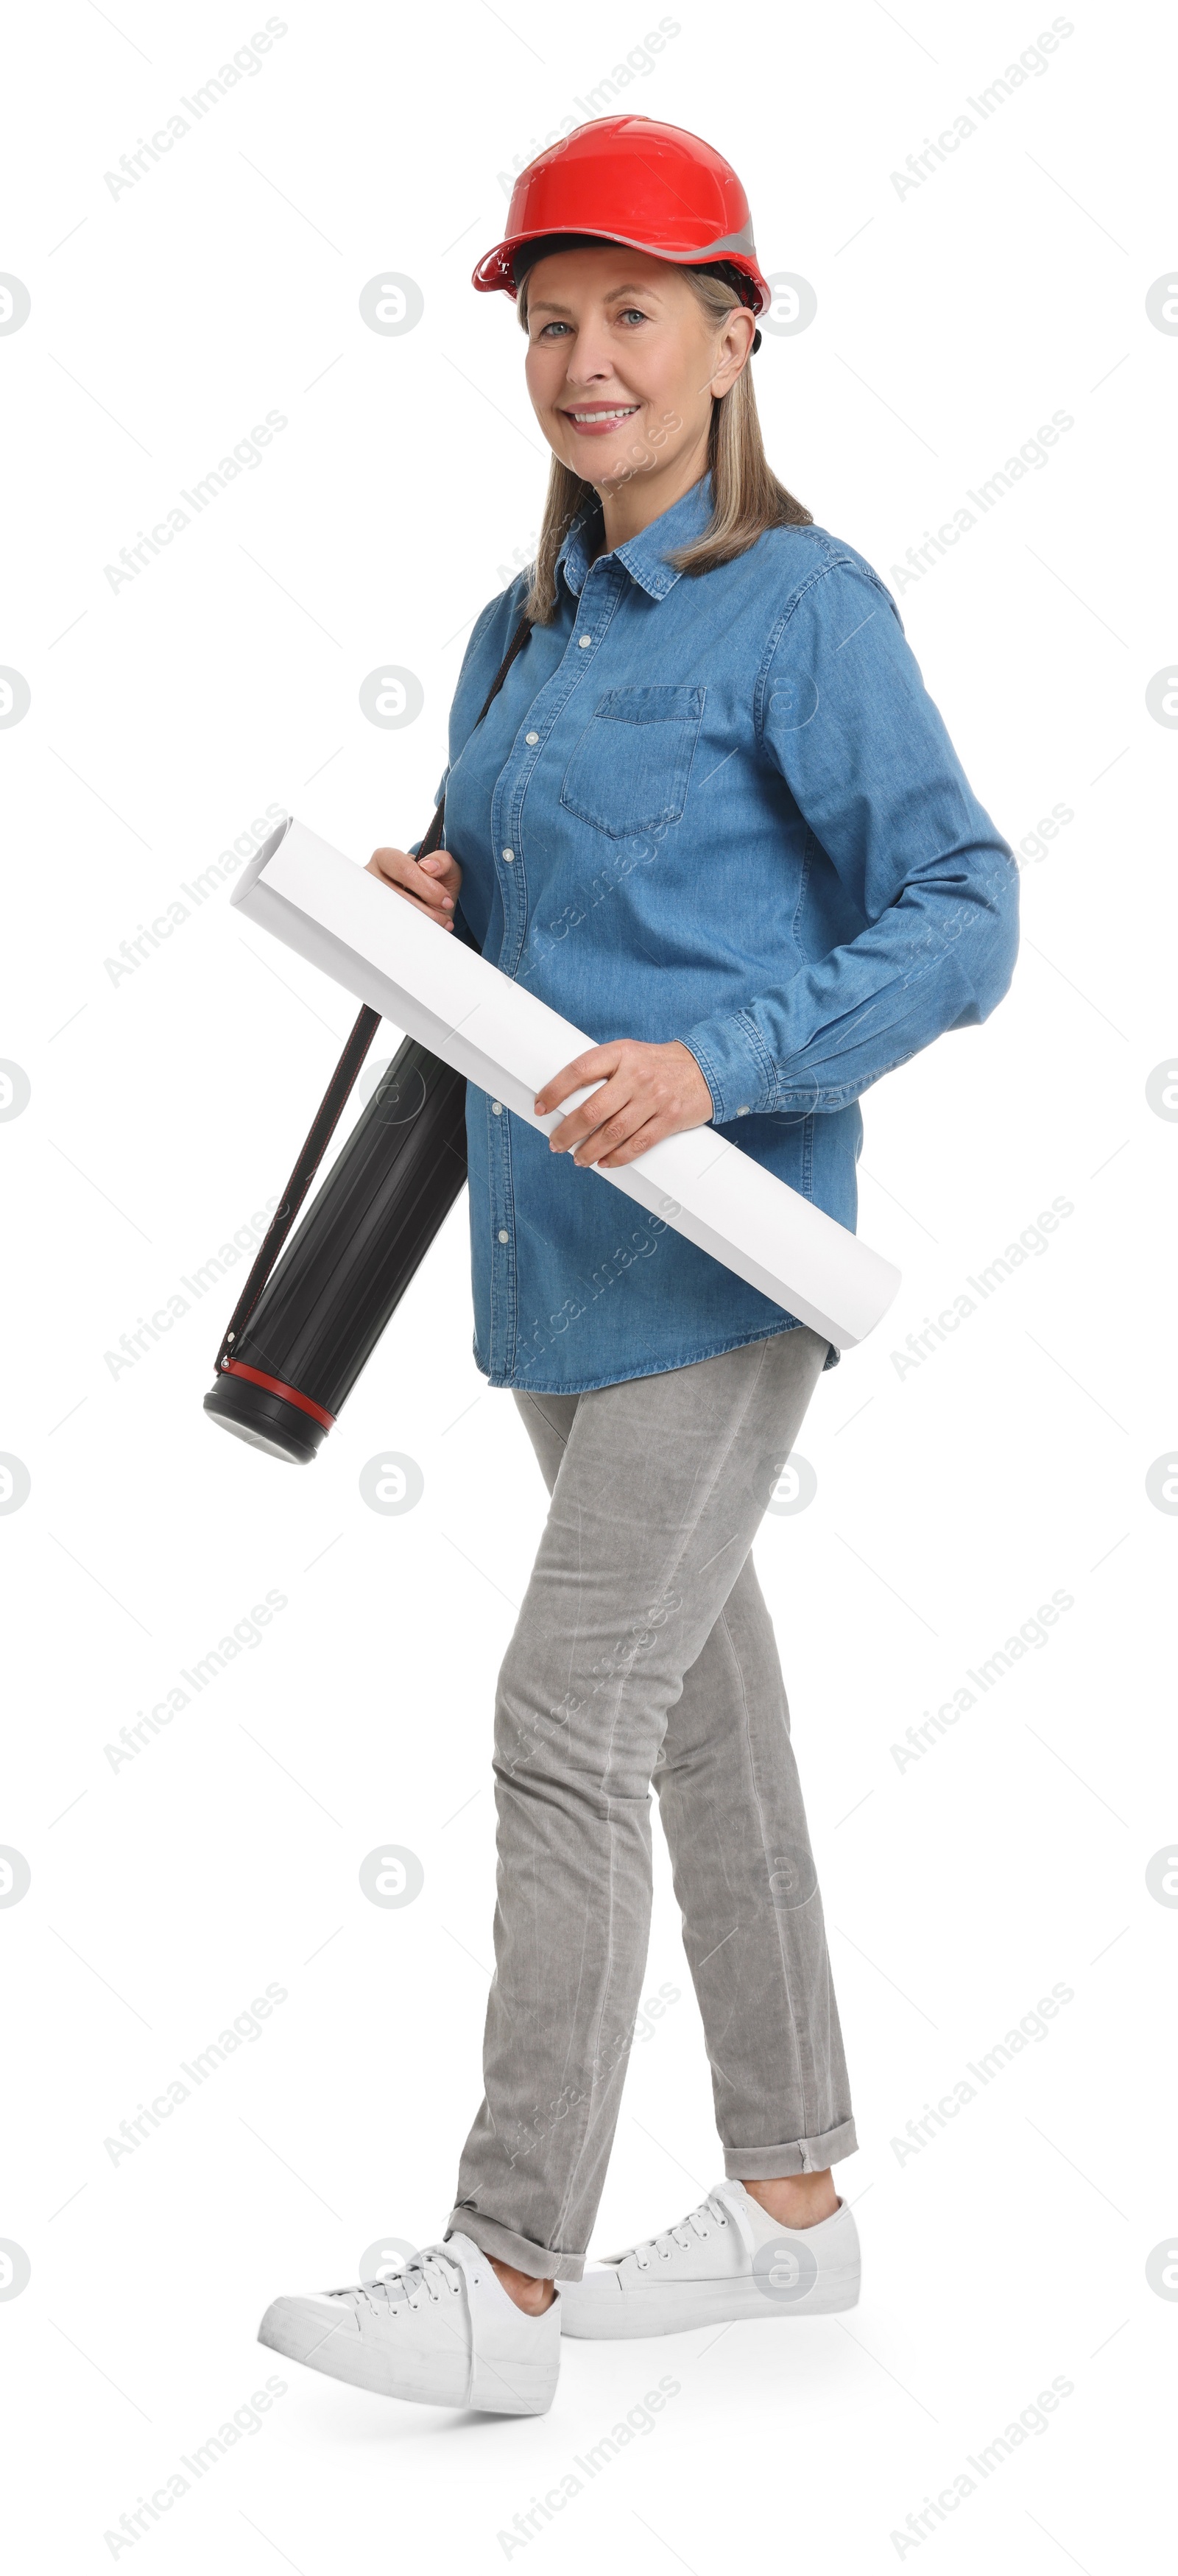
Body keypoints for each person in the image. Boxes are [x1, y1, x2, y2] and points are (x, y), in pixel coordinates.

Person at [258, 113, 1018, 2416]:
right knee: (702, 1715)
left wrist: (723, 1061)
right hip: (551, 1269)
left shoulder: (809, 605)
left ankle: (505, 2276)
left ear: (733, 329)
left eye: (637, 312)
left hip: (721, 1249)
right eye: (553, 319)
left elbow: (963, 908)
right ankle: (792, 2210)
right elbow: (547, 898)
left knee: (559, 1714)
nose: (589, 359)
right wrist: (437, 901)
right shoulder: (520, 628)